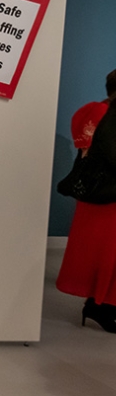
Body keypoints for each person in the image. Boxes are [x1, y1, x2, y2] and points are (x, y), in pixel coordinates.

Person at [57, 69, 116, 332]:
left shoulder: (95, 110)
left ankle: (98, 303)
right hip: (110, 195)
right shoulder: (110, 114)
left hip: (95, 191)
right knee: (108, 254)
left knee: (98, 252)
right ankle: (102, 306)